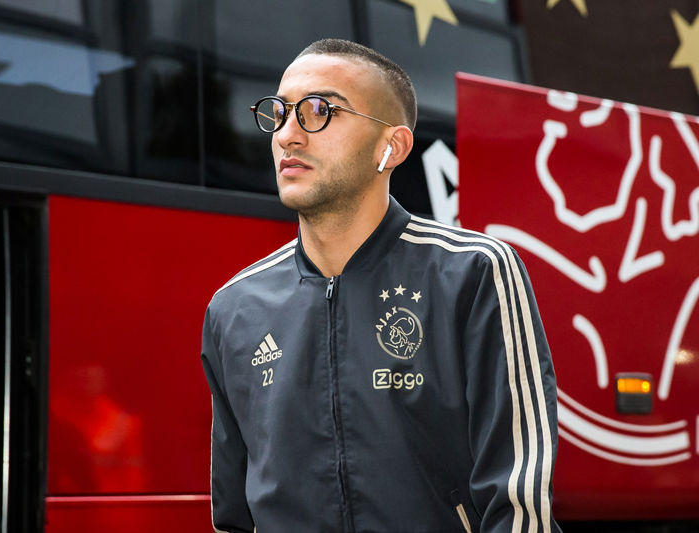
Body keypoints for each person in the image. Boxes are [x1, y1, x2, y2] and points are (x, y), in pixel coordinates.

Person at [201, 38, 561, 533]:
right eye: (280, 113)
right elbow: (233, 516)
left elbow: (518, 505)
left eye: (319, 111)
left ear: (391, 147)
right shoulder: (234, 308)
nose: (287, 135)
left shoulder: (473, 272)